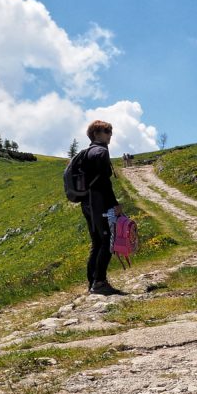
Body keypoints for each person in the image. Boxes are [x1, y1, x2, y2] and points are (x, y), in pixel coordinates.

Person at [80, 120, 124, 296]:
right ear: (96, 133)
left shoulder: (86, 153)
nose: (110, 134)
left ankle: (93, 282)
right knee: (106, 241)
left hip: (87, 203)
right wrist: (114, 204)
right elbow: (104, 182)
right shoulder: (101, 152)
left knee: (97, 242)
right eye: (106, 131)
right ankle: (99, 282)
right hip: (99, 203)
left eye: (110, 131)